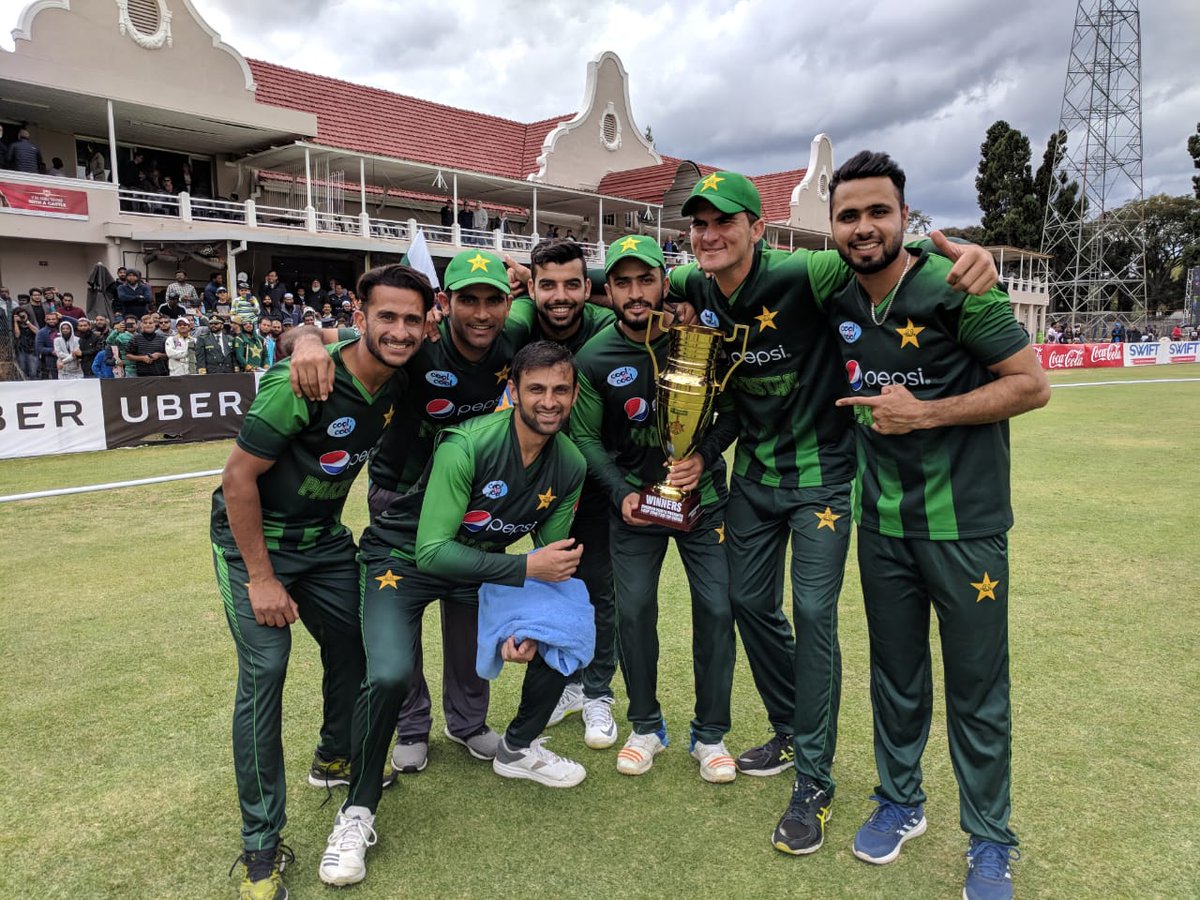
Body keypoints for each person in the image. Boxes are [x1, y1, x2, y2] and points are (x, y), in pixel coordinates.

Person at [667, 170, 1000, 856]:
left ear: (758, 228)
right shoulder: (695, 283)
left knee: (815, 614)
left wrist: (965, 254)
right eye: (699, 224)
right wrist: (531, 281)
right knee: (746, 602)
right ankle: (792, 730)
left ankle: (814, 783)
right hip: (754, 479)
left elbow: (877, 251)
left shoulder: (806, 272)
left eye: (725, 221)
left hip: (822, 481)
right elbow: (638, 280)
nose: (710, 234)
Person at [822, 151, 1049, 900]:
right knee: (896, 678)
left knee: (977, 689)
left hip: (966, 529)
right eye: (848, 215)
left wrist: (926, 414)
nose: (863, 227)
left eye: (877, 212)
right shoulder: (834, 293)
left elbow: (1032, 385)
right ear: (832, 227)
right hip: (881, 526)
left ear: (904, 217)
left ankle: (990, 840)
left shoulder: (957, 285)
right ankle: (900, 801)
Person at [317, 341, 588, 887]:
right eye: (536, 388)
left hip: (479, 569)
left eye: (561, 389)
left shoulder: (571, 463)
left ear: (575, 394)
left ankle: (516, 748)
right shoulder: (467, 444)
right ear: (513, 391)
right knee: (390, 674)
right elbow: (433, 551)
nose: (549, 401)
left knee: (573, 624)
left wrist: (525, 627)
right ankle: (357, 812)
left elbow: (552, 565)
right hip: (402, 561)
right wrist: (523, 569)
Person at [213, 264, 431, 900]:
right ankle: (260, 847)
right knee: (267, 672)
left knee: (355, 648)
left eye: (411, 319)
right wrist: (261, 578)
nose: (399, 330)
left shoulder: (402, 374)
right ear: (360, 318)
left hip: (325, 541)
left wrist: (306, 332)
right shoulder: (300, 383)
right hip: (255, 547)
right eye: (385, 316)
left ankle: (334, 756)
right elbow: (237, 479)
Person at [288, 248, 534, 774]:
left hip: (471, 501)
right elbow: (305, 335)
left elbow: (573, 293)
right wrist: (307, 341)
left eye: (493, 300)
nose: (482, 313)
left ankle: (468, 722)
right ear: (444, 304)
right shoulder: (415, 340)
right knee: (402, 608)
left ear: (508, 303)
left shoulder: (514, 336)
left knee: (468, 611)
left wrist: (532, 276)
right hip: (399, 496)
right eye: (469, 300)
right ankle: (412, 725)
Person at [570, 235, 737, 782]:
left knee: (717, 609)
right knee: (634, 611)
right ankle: (645, 726)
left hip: (703, 502)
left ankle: (710, 735)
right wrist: (621, 492)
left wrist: (703, 456)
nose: (636, 293)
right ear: (609, 290)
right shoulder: (593, 357)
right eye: (623, 282)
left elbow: (734, 411)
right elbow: (585, 437)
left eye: (646, 280)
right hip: (636, 508)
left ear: (666, 283)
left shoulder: (699, 339)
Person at [517, 240, 621, 749]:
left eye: (572, 284)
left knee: (599, 587)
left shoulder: (606, 326)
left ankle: (598, 691)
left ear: (588, 286)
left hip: (597, 478)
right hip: (539, 482)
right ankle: (568, 681)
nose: (560, 296)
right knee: (554, 582)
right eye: (548, 285)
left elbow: (638, 293)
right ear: (531, 287)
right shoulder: (518, 323)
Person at [12, 307, 40, 379]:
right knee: (23, 370)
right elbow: (17, 335)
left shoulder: (31, 322)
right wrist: (15, 322)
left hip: (32, 349)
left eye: (23, 315)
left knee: (33, 371)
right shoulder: (14, 324)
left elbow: (37, 332)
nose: (22, 317)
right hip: (20, 349)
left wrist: (27, 322)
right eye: (20, 316)